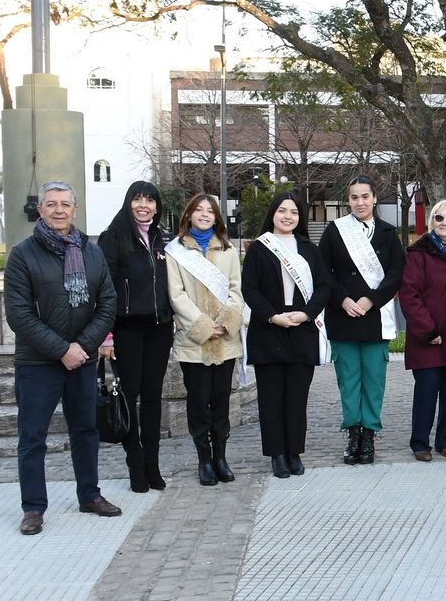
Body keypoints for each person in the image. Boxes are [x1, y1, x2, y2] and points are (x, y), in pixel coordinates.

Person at [4, 181, 121, 535]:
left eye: (65, 204)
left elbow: (108, 303)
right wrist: (62, 349)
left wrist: (82, 347)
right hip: (38, 362)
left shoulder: (92, 252)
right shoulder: (23, 254)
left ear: (75, 209)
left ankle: (89, 495)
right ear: (40, 210)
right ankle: (34, 508)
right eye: (51, 204)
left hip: (82, 359)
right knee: (33, 436)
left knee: (85, 430)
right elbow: (19, 315)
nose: (58, 210)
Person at [242, 192, 331, 479]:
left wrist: (306, 314)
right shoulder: (260, 248)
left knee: (296, 396)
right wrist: (272, 315)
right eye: (282, 211)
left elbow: (323, 288)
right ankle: (277, 454)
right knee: (271, 397)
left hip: (301, 328)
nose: (288, 216)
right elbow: (250, 289)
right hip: (269, 328)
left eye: (294, 212)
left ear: (300, 217)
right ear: (273, 213)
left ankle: (294, 451)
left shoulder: (308, 248)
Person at [319, 176, 405, 466]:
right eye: (354, 197)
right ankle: (352, 432)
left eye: (365, 196)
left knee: (373, 379)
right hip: (343, 316)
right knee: (349, 380)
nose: (360, 202)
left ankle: (369, 434)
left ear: (374, 198)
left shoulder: (388, 233)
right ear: (349, 200)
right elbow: (323, 272)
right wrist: (342, 299)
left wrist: (372, 300)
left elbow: (396, 274)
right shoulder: (334, 231)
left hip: (375, 317)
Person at [97, 181, 174, 492]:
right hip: (127, 329)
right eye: (138, 199)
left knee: (153, 398)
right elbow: (103, 291)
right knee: (129, 398)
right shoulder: (112, 238)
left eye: (150, 200)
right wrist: (106, 337)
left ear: (157, 206)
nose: (144, 205)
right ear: (129, 202)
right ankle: (136, 466)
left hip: (158, 328)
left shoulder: (162, 239)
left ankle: (153, 465)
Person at [165, 194, 245, 486]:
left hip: (225, 341)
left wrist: (225, 323)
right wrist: (202, 325)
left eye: (209, 211)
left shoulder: (227, 250)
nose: (204, 214)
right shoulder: (175, 252)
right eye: (198, 209)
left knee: (221, 401)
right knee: (199, 403)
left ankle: (221, 457)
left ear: (216, 217)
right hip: (193, 343)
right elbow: (176, 295)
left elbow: (236, 289)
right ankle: (204, 460)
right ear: (188, 214)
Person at [398, 199, 446, 461]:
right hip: (428, 337)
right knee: (427, 392)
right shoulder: (418, 254)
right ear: (432, 222)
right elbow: (409, 296)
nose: (444, 223)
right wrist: (428, 330)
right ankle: (420, 443)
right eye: (439, 218)